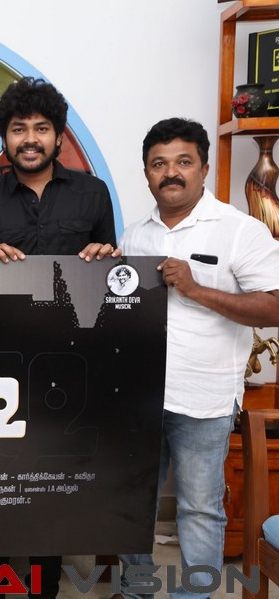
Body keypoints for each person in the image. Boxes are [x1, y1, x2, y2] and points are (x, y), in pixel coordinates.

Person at [0, 76, 119, 599]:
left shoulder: (93, 194)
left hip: (69, 361)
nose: (30, 138)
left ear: (59, 136)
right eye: (18, 128)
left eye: (42, 128)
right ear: (4, 137)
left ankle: (43, 584)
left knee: (50, 472)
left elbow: (110, 279)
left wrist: (105, 257)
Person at [116, 117, 279, 599]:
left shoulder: (240, 230)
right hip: (139, 397)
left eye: (183, 161)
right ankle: (137, 591)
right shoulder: (135, 235)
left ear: (204, 169)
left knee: (200, 510)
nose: (171, 172)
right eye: (159, 164)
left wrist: (195, 288)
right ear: (147, 174)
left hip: (203, 398)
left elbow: (274, 307)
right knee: (131, 505)